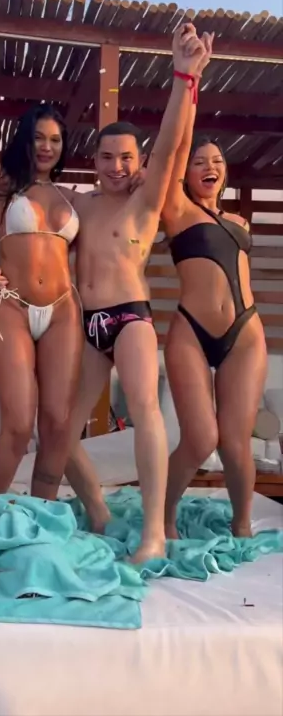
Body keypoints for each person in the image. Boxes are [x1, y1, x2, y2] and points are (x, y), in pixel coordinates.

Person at [0, 24, 210, 561]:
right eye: (107, 157)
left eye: (127, 157)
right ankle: (98, 510)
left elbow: (174, 144)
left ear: (140, 161)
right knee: (60, 432)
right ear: (94, 160)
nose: (117, 167)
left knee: (145, 409)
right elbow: (30, 227)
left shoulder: (145, 200)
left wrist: (184, 77)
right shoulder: (77, 203)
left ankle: (153, 533)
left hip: (129, 318)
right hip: (84, 325)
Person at [0, 35, 85, 501]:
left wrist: (136, 177)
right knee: (17, 423)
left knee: (57, 422)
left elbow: (121, 218)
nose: (47, 147)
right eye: (39, 137)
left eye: (55, 139)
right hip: (11, 305)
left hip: (63, 309)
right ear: (25, 140)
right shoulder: (3, 186)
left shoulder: (72, 198)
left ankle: (42, 513)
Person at [162, 109, 266, 537]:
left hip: (245, 332)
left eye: (218, 161)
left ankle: (242, 525)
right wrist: (188, 89)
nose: (210, 167)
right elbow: (173, 150)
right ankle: (163, 518)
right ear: (186, 173)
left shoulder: (239, 221)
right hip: (191, 329)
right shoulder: (176, 208)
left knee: (235, 442)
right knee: (201, 438)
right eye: (200, 161)